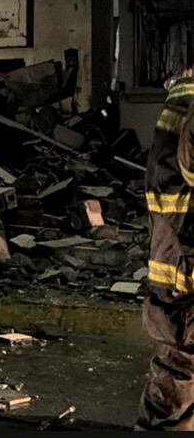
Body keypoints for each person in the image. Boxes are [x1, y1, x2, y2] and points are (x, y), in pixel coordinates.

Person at [137, 69, 194, 430]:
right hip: (185, 267)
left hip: (176, 260)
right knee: (180, 376)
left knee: (179, 373)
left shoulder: (182, 100)